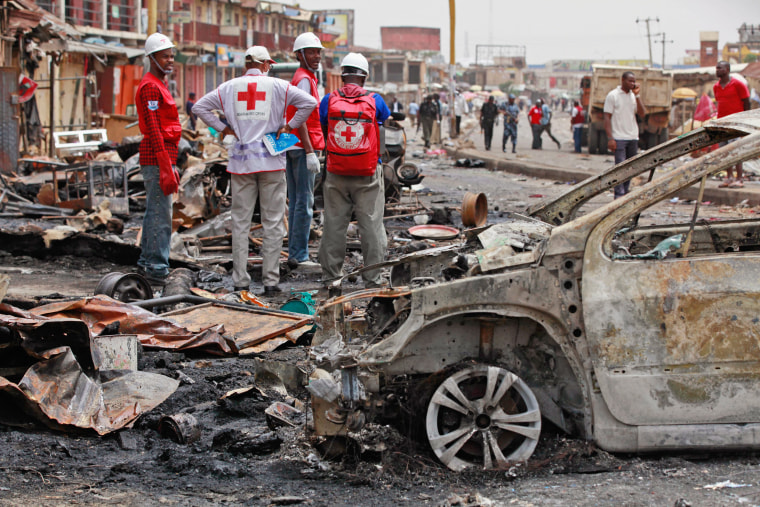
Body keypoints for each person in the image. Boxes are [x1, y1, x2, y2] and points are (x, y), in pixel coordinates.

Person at [193, 46, 317, 294]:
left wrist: (223, 127)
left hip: (241, 164)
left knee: (240, 222)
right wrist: (289, 126)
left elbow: (199, 108)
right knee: (272, 223)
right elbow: (310, 102)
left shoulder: (228, 87)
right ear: (266, 64)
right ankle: (271, 281)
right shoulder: (278, 86)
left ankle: (241, 281)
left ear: (246, 65)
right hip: (271, 162)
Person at [318, 52, 390, 289]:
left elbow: (324, 126)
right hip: (367, 173)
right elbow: (384, 122)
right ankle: (373, 279)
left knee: (334, 225)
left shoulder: (328, 99)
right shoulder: (375, 100)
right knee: (371, 225)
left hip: (336, 171)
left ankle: (331, 279)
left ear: (343, 75)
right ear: (364, 77)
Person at [135, 33, 182, 286]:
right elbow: (153, 129)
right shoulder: (151, 87)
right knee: (159, 215)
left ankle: (148, 263)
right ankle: (155, 268)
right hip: (156, 158)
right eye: (165, 56)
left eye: (171, 55)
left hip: (161, 158)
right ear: (152, 58)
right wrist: (165, 166)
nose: (170, 60)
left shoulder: (159, 85)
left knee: (156, 211)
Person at [285, 32, 324, 272]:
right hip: (302, 147)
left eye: (318, 52)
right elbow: (301, 116)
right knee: (304, 201)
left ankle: (295, 253)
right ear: (300, 55)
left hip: (295, 145)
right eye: (311, 52)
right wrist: (310, 151)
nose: (317, 56)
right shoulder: (304, 80)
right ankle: (299, 255)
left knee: (297, 201)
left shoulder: (304, 77)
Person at [604, 71, 647, 198]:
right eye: (630, 81)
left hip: (633, 136)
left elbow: (643, 114)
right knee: (620, 167)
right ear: (623, 80)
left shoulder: (633, 96)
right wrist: (610, 138)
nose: (633, 83)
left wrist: (638, 96)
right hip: (618, 137)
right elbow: (606, 118)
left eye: (634, 81)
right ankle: (619, 194)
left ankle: (624, 192)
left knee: (630, 168)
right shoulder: (613, 95)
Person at [714, 61, 751, 188]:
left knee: (736, 150)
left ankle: (739, 178)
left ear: (727, 69)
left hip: (736, 123)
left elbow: (747, 102)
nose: (717, 70)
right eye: (716, 68)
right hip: (722, 123)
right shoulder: (716, 86)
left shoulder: (738, 84)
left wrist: (745, 120)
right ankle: (729, 177)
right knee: (725, 151)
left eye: (720, 68)